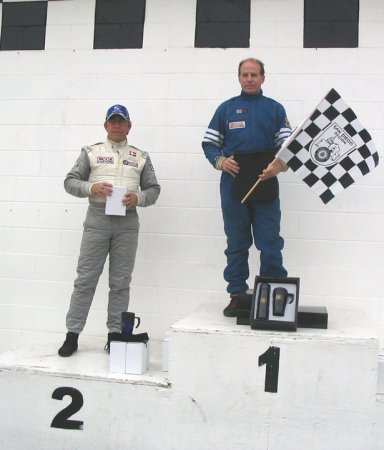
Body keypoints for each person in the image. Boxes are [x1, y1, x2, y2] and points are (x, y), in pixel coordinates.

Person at [58, 104, 160, 357]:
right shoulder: (91, 152)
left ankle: (115, 334)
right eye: (112, 122)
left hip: (127, 222)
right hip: (97, 219)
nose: (117, 126)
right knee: (85, 281)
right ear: (105, 126)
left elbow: (154, 189)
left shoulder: (141, 156)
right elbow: (70, 182)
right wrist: (92, 189)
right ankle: (72, 335)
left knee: (120, 283)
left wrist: (138, 198)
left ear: (129, 126)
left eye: (121, 122)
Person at [202, 58, 292, 317]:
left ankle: (275, 294)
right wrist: (221, 161)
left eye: (254, 74)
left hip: (265, 183)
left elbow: (287, 148)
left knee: (270, 243)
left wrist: (280, 166)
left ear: (263, 78)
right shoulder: (226, 109)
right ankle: (237, 295)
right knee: (237, 243)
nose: (250, 79)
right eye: (245, 74)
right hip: (233, 186)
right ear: (239, 78)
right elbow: (209, 144)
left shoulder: (275, 109)